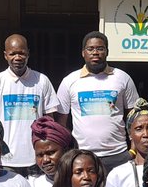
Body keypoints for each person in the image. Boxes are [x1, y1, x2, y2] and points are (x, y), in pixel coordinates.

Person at [0, 34, 63, 177]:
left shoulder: (41, 80)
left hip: (37, 159)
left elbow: (50, 120)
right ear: (5, 55)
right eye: (13, 53)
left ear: (28, 53)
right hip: (6, 160)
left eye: (21, 53)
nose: (18, 57)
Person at [56, 31, 140, 172]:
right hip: (82, 155)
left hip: (118, 155)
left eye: (100, 48)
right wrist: (68, 152)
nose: (95, 52)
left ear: (107, 51)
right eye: (90, 49)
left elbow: (135, 117)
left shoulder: (122, 78)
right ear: (83, 52)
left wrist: (132, 150)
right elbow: (61, 121)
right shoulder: (69, 81)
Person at [28, 116, 76, 187]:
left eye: (51, 153)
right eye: (40, 155)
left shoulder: (81, 182)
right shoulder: (32, 186)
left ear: (66, 150)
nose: (45, 160)